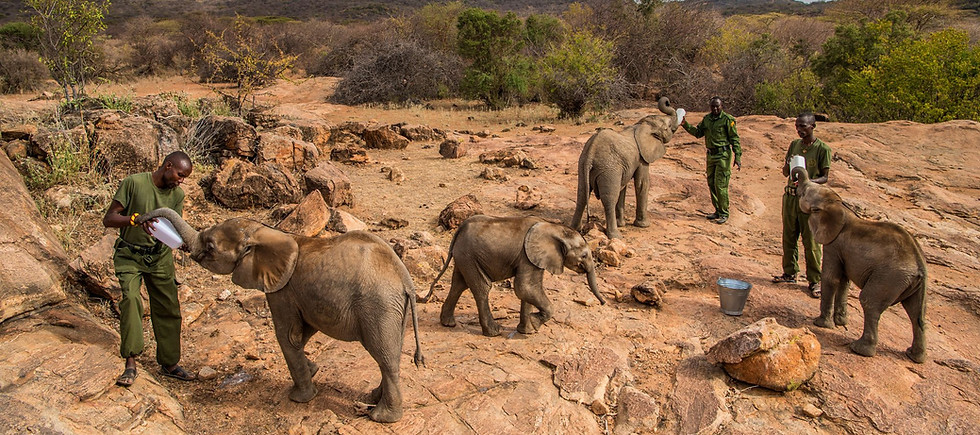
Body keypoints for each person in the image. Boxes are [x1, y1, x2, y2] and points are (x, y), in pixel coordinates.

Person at [103, 151, 196, 387]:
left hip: (159, 257)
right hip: (129, 255)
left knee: (169, 308)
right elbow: (110, 218)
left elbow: (173, 225)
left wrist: (181, 242)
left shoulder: (177, 194)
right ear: (168, 166)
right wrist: (135, 220)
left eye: (184, 177)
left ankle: (170, 363)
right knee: (132, 300)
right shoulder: (133, 183)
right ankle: (131, 362)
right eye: (179, 174)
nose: (181, 180)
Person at [771, 113, 831, 298]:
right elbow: (785, 171)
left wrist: (808, 181)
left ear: (813, 126)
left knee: (810, 241)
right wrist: (788, 166)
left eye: (803, 126)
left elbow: (825, 177)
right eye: (797, 126)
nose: (799, 130)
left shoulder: (822, 149)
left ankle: (815, 279)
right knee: (789, 236)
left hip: (809, 198)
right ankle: (789, 272)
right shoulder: (794, 145)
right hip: (790, 197)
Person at [681, 96, 742, 224]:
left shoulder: (727, 120)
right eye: (713, 106)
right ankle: (717, 211)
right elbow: (698, 133)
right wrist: (685, 125)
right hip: (711, 155)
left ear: (721, 106)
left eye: (717, 106)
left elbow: (734, 139)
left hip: (723, 155)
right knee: (711, 183)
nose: (715, 109)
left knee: (720, 185)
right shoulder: (707, 119)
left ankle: (724, 213)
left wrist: (738, 156)